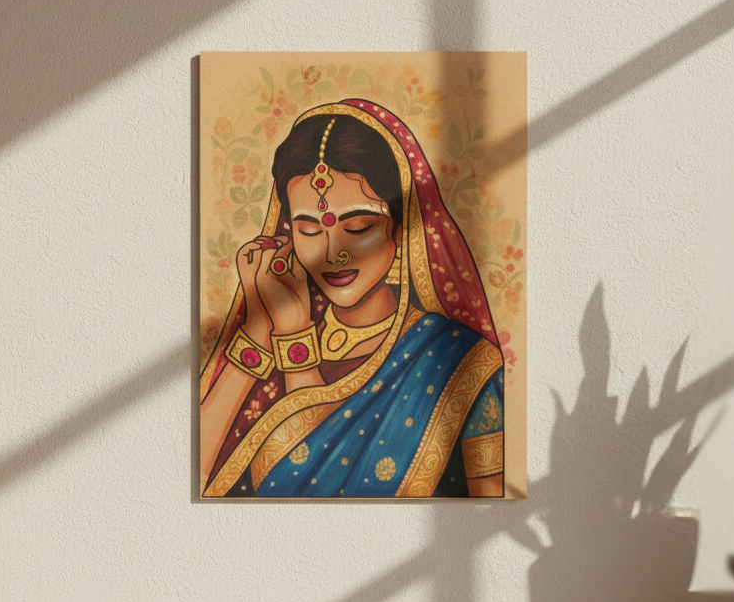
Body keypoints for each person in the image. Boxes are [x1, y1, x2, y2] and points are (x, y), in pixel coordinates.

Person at [199, 100, 505, 498]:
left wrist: (294, 338)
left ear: (402, 229)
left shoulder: (459, 361)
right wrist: (260, 325)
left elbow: (307, 483)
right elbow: (187, 478)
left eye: (358, 227)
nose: (332, 254)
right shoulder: (272, 336)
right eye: (309, 230)